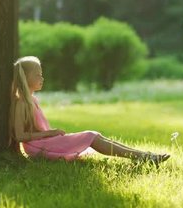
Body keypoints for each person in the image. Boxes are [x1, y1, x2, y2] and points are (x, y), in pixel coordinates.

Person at [9, 56, 170, 166]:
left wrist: (51, 134)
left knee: (95, 135)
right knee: (91, 136)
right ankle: (143, 157)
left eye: (41, 74)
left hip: (45, 141)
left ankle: (143, 155)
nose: (42, 78)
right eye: (38, 75)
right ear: (25, 77)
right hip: (37, 147)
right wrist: (50, 133)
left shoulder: (33, 100)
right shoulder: (21, 103)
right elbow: (20, 136)